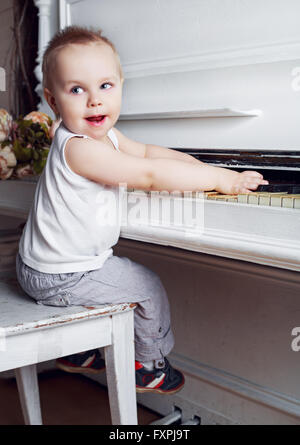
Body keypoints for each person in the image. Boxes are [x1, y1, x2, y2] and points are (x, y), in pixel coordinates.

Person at [16, 26, 268, 395]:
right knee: (147, 287)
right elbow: (148, 175)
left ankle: (83, 353)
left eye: (105, 86)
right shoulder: (81, 148)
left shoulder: (107, 137)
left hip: (45, 264)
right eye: (76, 90)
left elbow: (150, 154)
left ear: (120, 86)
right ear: (53, 102)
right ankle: (148, 366)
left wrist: (205, 170)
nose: (94, 101)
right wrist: (220, 180)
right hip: (60, 276)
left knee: (116, 274)